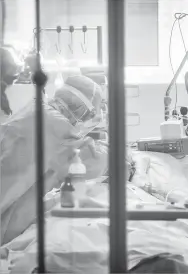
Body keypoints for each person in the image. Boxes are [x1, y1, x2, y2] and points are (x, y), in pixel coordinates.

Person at [0, 75, 109, 244]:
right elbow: (95, 162)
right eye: (90, 115)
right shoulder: (59, 131)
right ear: (83, 110)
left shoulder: (34, 110)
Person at [0, 46, 22, 121]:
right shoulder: (5, 52)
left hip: (7, 78)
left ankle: (7, 112)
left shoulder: (4, 53)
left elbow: (12, 69)